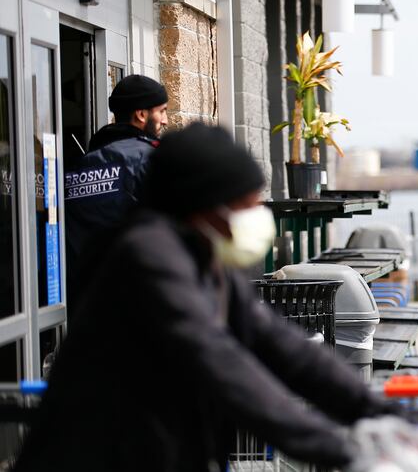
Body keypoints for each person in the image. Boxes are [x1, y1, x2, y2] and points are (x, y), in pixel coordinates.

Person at [14, 124, 393, 471]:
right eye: (246, 204)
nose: (256, 215)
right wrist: (337, 448)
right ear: (205, 206)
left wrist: (374, 410)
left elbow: (279, 343)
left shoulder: (204, 259)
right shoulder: (146, 255)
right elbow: (218, 359)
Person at [64, 74, 169, 304]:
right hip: (138, 303)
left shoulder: (83, 164)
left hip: (84, 306)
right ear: (141, 115)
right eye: (161, 111)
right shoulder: (152, 160)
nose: (166, 120)